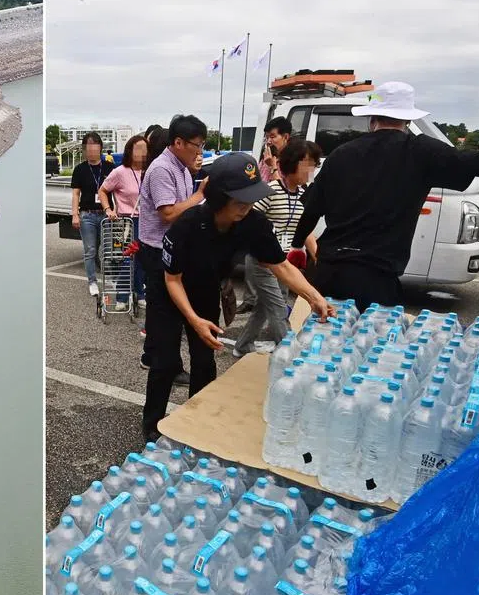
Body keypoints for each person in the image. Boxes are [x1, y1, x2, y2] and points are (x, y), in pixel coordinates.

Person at [289, 81, 479, 309]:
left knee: (320, 351)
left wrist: (298, 245)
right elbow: (478, 162)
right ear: (408, 121)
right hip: (375, 281)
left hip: (327, 274)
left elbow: (312, 209)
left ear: (371, 119)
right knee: (367, 354)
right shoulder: (421, 152)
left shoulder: (341, 154)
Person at [142, 152, 335, 443]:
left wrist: (314, 297)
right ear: (219, 197)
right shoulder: (188, 224)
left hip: (206, 288)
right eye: (240, 200)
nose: (247, 207)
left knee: (204, 359)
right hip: (169, 291)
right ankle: (152, 425)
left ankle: (197, 419)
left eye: (251, 198)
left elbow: (280, 265)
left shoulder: (252, 222)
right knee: (165, 361)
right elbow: (172, 279)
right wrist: (193, 320)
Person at [232, 139, 323, 358]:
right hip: (263, 262)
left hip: (285, 263)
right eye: (307, 163)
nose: (311, 170)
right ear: (292, 163)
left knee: (265, 307)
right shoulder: (270, 190)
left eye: (314, 164)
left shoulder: (304, 196)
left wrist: (317, 255)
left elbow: (306, 230)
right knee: (279, 308)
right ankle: (292, 356)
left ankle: (242, 345)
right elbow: (249, 220)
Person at [137, 115, 209, 377]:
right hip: (157, 250)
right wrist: (200, 196)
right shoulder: (162, 169)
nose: (200, 151)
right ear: (178, 142)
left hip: (172, 246)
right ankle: (166, 366)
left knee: (166, 310)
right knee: (164, 313)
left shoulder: (181, 167)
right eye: (197, 145)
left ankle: (154, 357)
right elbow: (167, 213)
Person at [239, 116, 296, 317]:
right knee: (251, 260)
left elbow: (283, 190)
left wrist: (273, 167)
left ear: (286, 137)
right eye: (267, 137)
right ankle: (251, 301)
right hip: (260, 215)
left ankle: (278, 314)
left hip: (280, 223)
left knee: (279, 269)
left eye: (273, 136)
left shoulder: (291, 162)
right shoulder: (265, 158)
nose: (269, 141)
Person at [99, 134, 149, 307]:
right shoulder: (120, 172)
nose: (142, 153)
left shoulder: (149, 171)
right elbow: (103, 191)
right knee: (129, 258)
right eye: (138, 149)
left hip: (146, 220)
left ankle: (140, 293)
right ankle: (121, 296)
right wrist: (108, 209)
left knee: (142, 258)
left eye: (145, 149)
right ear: (130, 151)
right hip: (126, 221)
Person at [70, 132, 115, 296]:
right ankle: (92, 281)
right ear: (84, 150)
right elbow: (76, 194)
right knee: (90, 250)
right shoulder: (80, 169)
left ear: (100, 149)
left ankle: (110, 278)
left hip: (106, 215)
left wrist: (115, 209)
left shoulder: (110, 168)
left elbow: (116, 192)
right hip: (87, 215)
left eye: (94, 149)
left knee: (109, 249)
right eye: (87, 150)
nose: (91, 153)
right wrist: (75, 214)